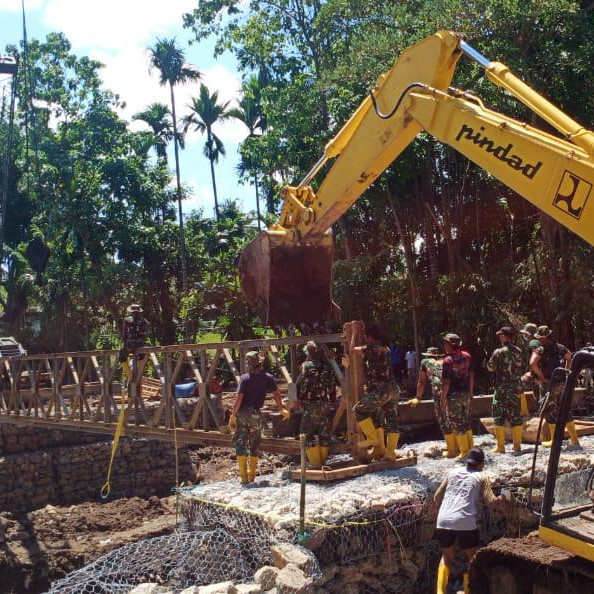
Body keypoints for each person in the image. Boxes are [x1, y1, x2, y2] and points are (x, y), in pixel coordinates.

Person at [434, 447, 507, 594]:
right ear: (481, 464)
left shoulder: (451, 472)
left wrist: (445, 514)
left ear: (467, 461)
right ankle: (468, 591)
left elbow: (436, 497)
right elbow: (491, 502)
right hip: (465, 521)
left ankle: (440, 592)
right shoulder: (482, 476)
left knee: (447, 557)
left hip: (443, 520)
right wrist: (504, 497)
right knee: (473, 558)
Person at [229, 351, 290, 484]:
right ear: (260, 363)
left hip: (243, 414)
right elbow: (277, 394)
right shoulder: (268, 378)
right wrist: (281, 408)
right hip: (256, 415)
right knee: (255, 444)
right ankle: (252, 476)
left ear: (248, 364)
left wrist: (233, 415)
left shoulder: (245, 378)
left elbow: (239, 399)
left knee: (240, 442)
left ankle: (244, 478)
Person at [351, 323, 399, 460]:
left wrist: (354, 333)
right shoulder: (386, 349)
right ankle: (388, 452)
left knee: (358, 410)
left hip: (380, 390)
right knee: (390, 420)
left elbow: (353, 350)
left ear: (371, 337)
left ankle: (372, 439)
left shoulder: (372, 348)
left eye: (366, 337)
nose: (365, 339)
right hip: (393, 388)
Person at [529, 326, 579, 448]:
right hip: (561, 383)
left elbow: (532, 363)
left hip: (549, 384)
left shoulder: (540, 349)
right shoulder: (559, 347)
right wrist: (566, 371)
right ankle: (574, 439)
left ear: (542, 337)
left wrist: (541, 377)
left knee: (549, 410)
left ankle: (555, 441)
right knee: (565, 409)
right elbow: (570, 357)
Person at [410, 347, 458, 458]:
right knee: (455, 418)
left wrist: (418, 397)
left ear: (427, 355)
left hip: (440, 392)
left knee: (442, 418)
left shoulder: (425, 362)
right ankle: (459, 446)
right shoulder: (447, 360)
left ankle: (452, 449)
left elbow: (421, 382)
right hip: (454, 391)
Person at [296, 340, 337, 467]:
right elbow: (332, 387)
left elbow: (301, 383)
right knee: (324, 434)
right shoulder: (326, 367)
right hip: (324, 404)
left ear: (307, 352)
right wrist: (332, 400)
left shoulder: (305, 366)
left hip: (310, 405)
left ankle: (316, 464)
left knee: (306, 434)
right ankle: (323, 463)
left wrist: (298, 399)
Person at [487, 326, 524, 454]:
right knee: (515, 415)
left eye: (500, 335)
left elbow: (490, 367)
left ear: (504, 336)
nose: (499, 337)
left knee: (498, 416)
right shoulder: (518, 351)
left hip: (502, 388)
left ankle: (500, 447)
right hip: (516, 388)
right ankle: (517, 446)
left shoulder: (499, 352)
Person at [442, 333, 474, 460]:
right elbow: (471, 374)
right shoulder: (467, 356)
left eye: (446, 344)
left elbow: (446, 382)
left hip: (453, 395)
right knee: (466, 420)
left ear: (451, 345)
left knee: (457, 422)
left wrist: (442, 399)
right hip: (465, 393)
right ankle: (471, 448)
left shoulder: (447, 360)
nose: (444, 346)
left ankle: (464, 452)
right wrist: (471, 392)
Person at [119, 304, 148, 379]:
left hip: (130, 344)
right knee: (142, 356)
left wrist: (124, 345)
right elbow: (145, 335)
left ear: (131, 312)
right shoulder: (144, 321)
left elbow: (124, 335)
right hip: (141, 345)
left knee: (121, 355)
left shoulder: (127, 320)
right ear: (139, 312)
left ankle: (130, 376)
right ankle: (139, 374)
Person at [519, 322, 540, 415]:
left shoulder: (533, 342)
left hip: (536, 372)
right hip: (538, 372)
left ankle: (523, 412)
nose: (524, 335)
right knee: (538, 394)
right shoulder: (537, 341)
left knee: (518, 385)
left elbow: (536, 356)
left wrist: (532, 372)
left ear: (528, 333)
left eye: (525, 333)